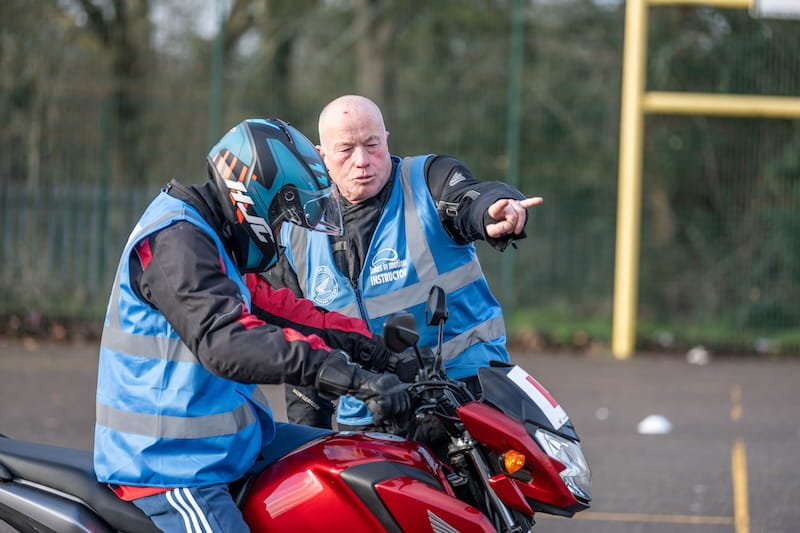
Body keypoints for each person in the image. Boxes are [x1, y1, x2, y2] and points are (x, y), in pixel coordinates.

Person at [93, 118, 414, 533]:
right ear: (254, 199)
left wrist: (376, 350)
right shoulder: (177, 243)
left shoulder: (208, 235)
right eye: (282, 219)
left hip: (230, 444)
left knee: (355, 462)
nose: (282, 234)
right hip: (170, 465)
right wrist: (344, 375)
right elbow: (227, 341)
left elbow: (280, 309)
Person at [268, 95, 542, 431]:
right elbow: (301, 344)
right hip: (368, 414)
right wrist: (310, 438)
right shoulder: (295, 233)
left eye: (372, 144)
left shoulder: (427, 180)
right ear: (321, 156)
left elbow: (469, 198)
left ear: (386, 139)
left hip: (465, 392)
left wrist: (493, 211)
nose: (362, 161)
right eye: (346, 149)